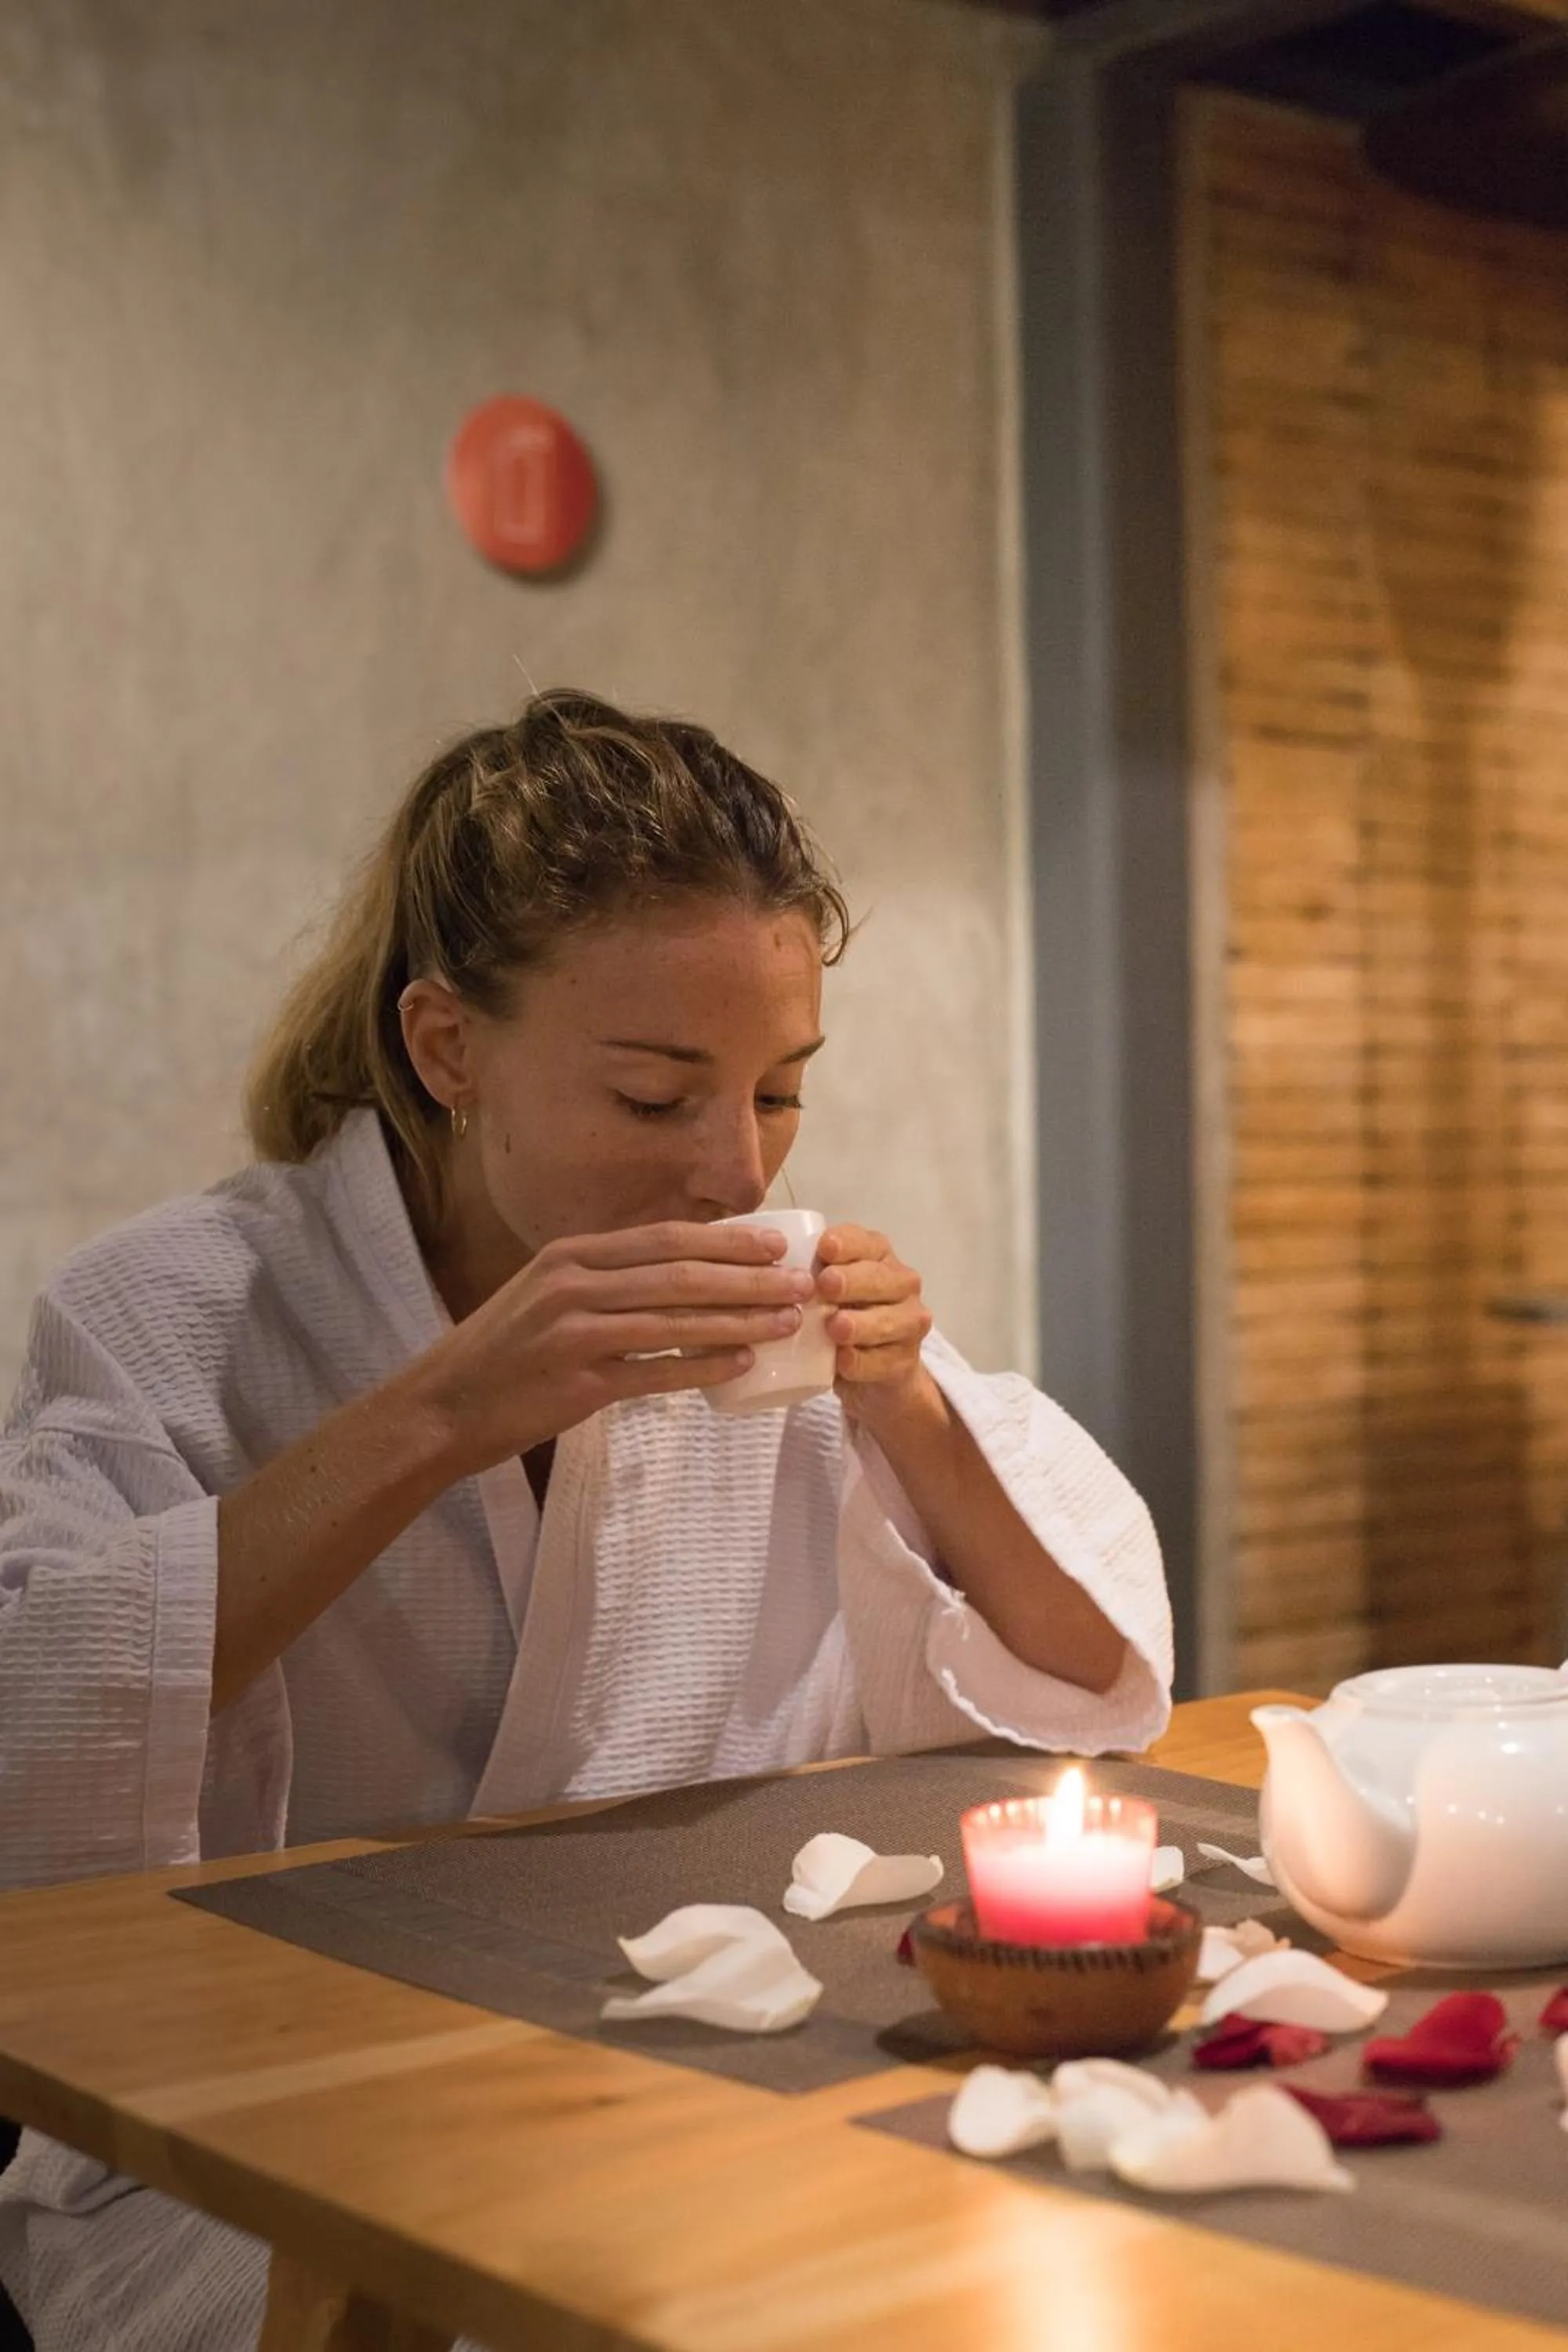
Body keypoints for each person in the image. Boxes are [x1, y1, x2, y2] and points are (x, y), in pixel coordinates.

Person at [0, 690, 1171, 2350]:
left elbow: (1085, 1679)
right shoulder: (175, 1311)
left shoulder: (774, 1296)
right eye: (653, 1098)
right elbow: (32, 1717)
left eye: (779, 1092)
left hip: (702, 2072)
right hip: (256, 2139)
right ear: (446, 1047)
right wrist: (445, 1415)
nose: (732, 1174)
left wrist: (900, 1408)